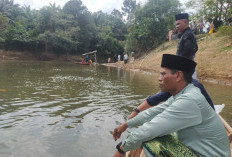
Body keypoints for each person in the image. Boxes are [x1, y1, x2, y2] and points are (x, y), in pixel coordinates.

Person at [113, 54, 230, 157]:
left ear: (178, 76)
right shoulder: (182, 94)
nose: (159, 79)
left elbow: (149, 130)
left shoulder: (189, 100)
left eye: (163, 74)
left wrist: (122, 148)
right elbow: (153, 112)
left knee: (151, 143)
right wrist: (126, 125)